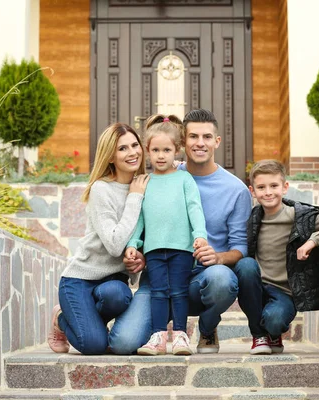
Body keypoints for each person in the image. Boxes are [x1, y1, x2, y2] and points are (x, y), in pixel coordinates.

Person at [108, 109, 252, 355]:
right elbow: (148, 218)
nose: (200, 143)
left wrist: (217, 257)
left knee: (221, 279)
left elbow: (241, 248)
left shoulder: (235, 189)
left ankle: (207, 327)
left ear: (216, 141)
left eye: (207, 137)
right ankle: (157, 332)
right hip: (158, 274)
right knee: (123, 343)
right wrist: (140, 250)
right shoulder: (163, 174)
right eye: (193, 136)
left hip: (201, 278)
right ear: (183, 143)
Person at [47, 123, 150, 355]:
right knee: (94, 346)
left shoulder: (146, 186)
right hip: (80, 280)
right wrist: (134, 198)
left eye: (135, 145)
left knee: (119, 296)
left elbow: (143, 237)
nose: (132, 152)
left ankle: (86, 321)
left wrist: (141, 259)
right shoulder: (101, 189)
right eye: (122, 148)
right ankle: (62, 319)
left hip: (113, 283)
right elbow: (114, 245)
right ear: (111, 156)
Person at [235, 160, 319, 355]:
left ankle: (272, 331)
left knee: (275, 320)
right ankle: (259, 335)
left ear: (285, 187)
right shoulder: (250, 219)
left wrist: (312, 241)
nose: (268, 192)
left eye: (274, 186)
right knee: (245, 265)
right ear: (252, 191)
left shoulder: (299, 216)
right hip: (257, 288)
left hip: (285, 292)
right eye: (261, 187)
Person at [125, 114, 208, 356]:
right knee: (158, 292)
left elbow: (195, 208)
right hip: (153, 250)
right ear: (147, 151)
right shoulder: (144, 181)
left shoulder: (184, 179)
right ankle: (158, 336)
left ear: (177, 151)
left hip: (182, 248)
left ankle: (181, 335)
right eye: (156, 150)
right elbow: (139, 217)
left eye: (167, 150)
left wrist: (200, 235)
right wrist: (133, 243)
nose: (161, 156)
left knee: (180, 291)